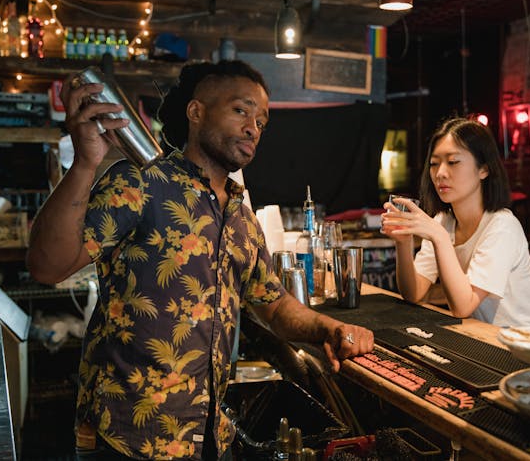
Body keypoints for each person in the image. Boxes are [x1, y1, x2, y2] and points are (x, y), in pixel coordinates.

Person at [26, 60, 374, 460]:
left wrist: (328, 328)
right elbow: (47, 266)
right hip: (128, 438)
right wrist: (86, 164)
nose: (253, 128)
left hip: (208, 436)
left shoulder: (241, 216)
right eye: (241, 111)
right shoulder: (141, 182)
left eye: (261, 121)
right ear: (196, 112)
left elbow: (274, 306)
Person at [380, 117, 530, 327]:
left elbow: (462, 306)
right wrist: (403, 243)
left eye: (453, 162)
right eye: (434, 164)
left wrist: (439, 237)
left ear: (484, 169)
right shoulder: (443, 221)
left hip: (526, 345)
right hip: (484, 339)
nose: (440, 173)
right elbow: (414, 293)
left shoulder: (502, 226)